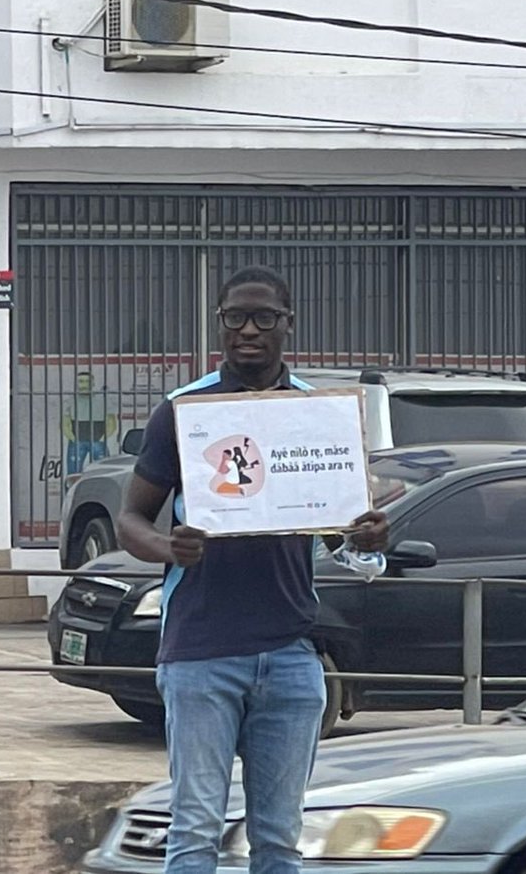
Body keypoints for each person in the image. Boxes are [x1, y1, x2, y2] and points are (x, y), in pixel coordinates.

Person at [118, 265, 389, 874]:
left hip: (293, 655)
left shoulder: (317, 418)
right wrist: (169, 548)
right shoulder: (183, 412)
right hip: (200, 652)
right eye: (234, 317)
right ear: (219, 324)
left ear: (288, 325)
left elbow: (346, 539)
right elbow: (129, 521)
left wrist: (367, 536)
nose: (248, 330)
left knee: (279, 842)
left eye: (264, 317)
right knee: (194, 831)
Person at [62, 371, 119, 475]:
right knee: (73, 475)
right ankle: (72, 491)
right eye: (81, 381)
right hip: (78, 441)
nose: (84, 385)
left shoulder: (103, 401)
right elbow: (64, 424)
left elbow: (112, 423)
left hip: (97, 441)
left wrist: (102, 438)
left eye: (87, 381)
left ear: (93, 383)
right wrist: (74, 439)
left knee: (104, 474)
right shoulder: (70, 401)